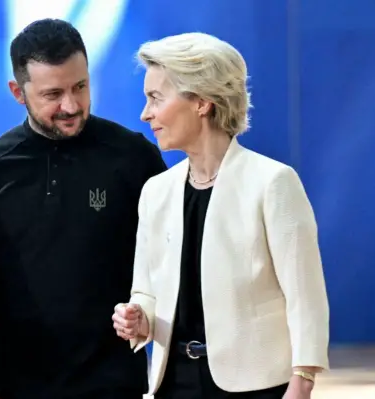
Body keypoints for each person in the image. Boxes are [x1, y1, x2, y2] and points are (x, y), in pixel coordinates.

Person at [0, 18, 167, 399]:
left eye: (80, 87)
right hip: (16, 387)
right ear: (18, 92)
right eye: (53, 94)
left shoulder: (133, 156)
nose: (71, 105)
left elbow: (170, 264)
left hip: (115, 384)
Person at [112, 32, 330, 398]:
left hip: (258, 386)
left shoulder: (273, 182)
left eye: (155, 98)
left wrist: (302, 381)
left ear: (201, 102)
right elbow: (146, 292)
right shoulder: (156, 192)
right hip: (173, 384)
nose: (145, 113)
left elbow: (305, 296)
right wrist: (137, 319)